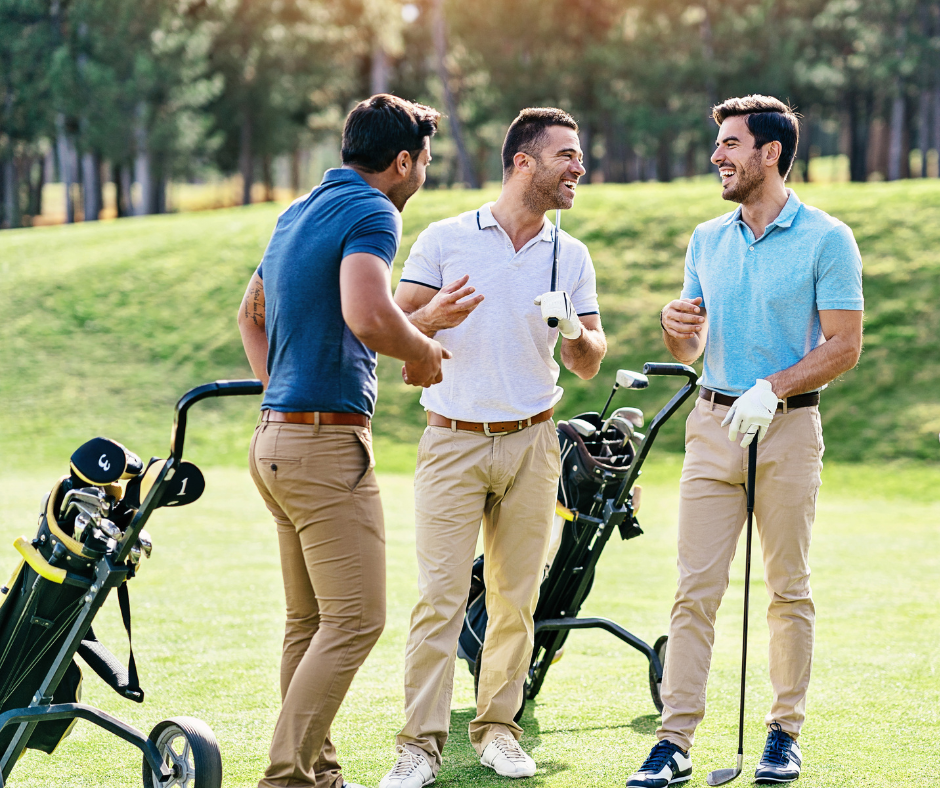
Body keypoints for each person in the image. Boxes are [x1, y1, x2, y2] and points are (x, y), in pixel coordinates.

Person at [627, 95, 863, 788]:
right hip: (712, 425)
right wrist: (678, 328)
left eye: (730, 144)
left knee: (788, 588)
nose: (717, 156)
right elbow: (695, 339)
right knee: (694, 589)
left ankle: (783, 733)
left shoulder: (826, 237)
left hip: (787, 429)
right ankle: (674, 741)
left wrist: (776, 387)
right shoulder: (707, 238)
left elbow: (845, 345)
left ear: (769, 153)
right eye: (718, 144)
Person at [379, 107, 608, 787]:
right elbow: (391, 326)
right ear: (523, 163)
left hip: (535, 442)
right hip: (452, 440)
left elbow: (591, 360)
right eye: (567, 155)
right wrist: (433, 317)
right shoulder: (447, 239)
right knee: (441, 598)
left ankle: (498, 731)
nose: (579, 168)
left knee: (517, 598)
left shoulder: (572, 254)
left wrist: (574, 331)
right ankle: (418, 747)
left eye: (580, 156)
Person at [237, 94, 448, 788]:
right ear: (401, 162)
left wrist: (281, 392)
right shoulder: (372, 210)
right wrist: (422, 352)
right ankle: (286, 778)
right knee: (357, 619)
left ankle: (317, 776)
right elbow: (366, 311)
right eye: (424, 163)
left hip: (275, 441)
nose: (424, 176)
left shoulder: (296, 212)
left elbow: (250, 314)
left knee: (312, 622)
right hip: (322, 447)